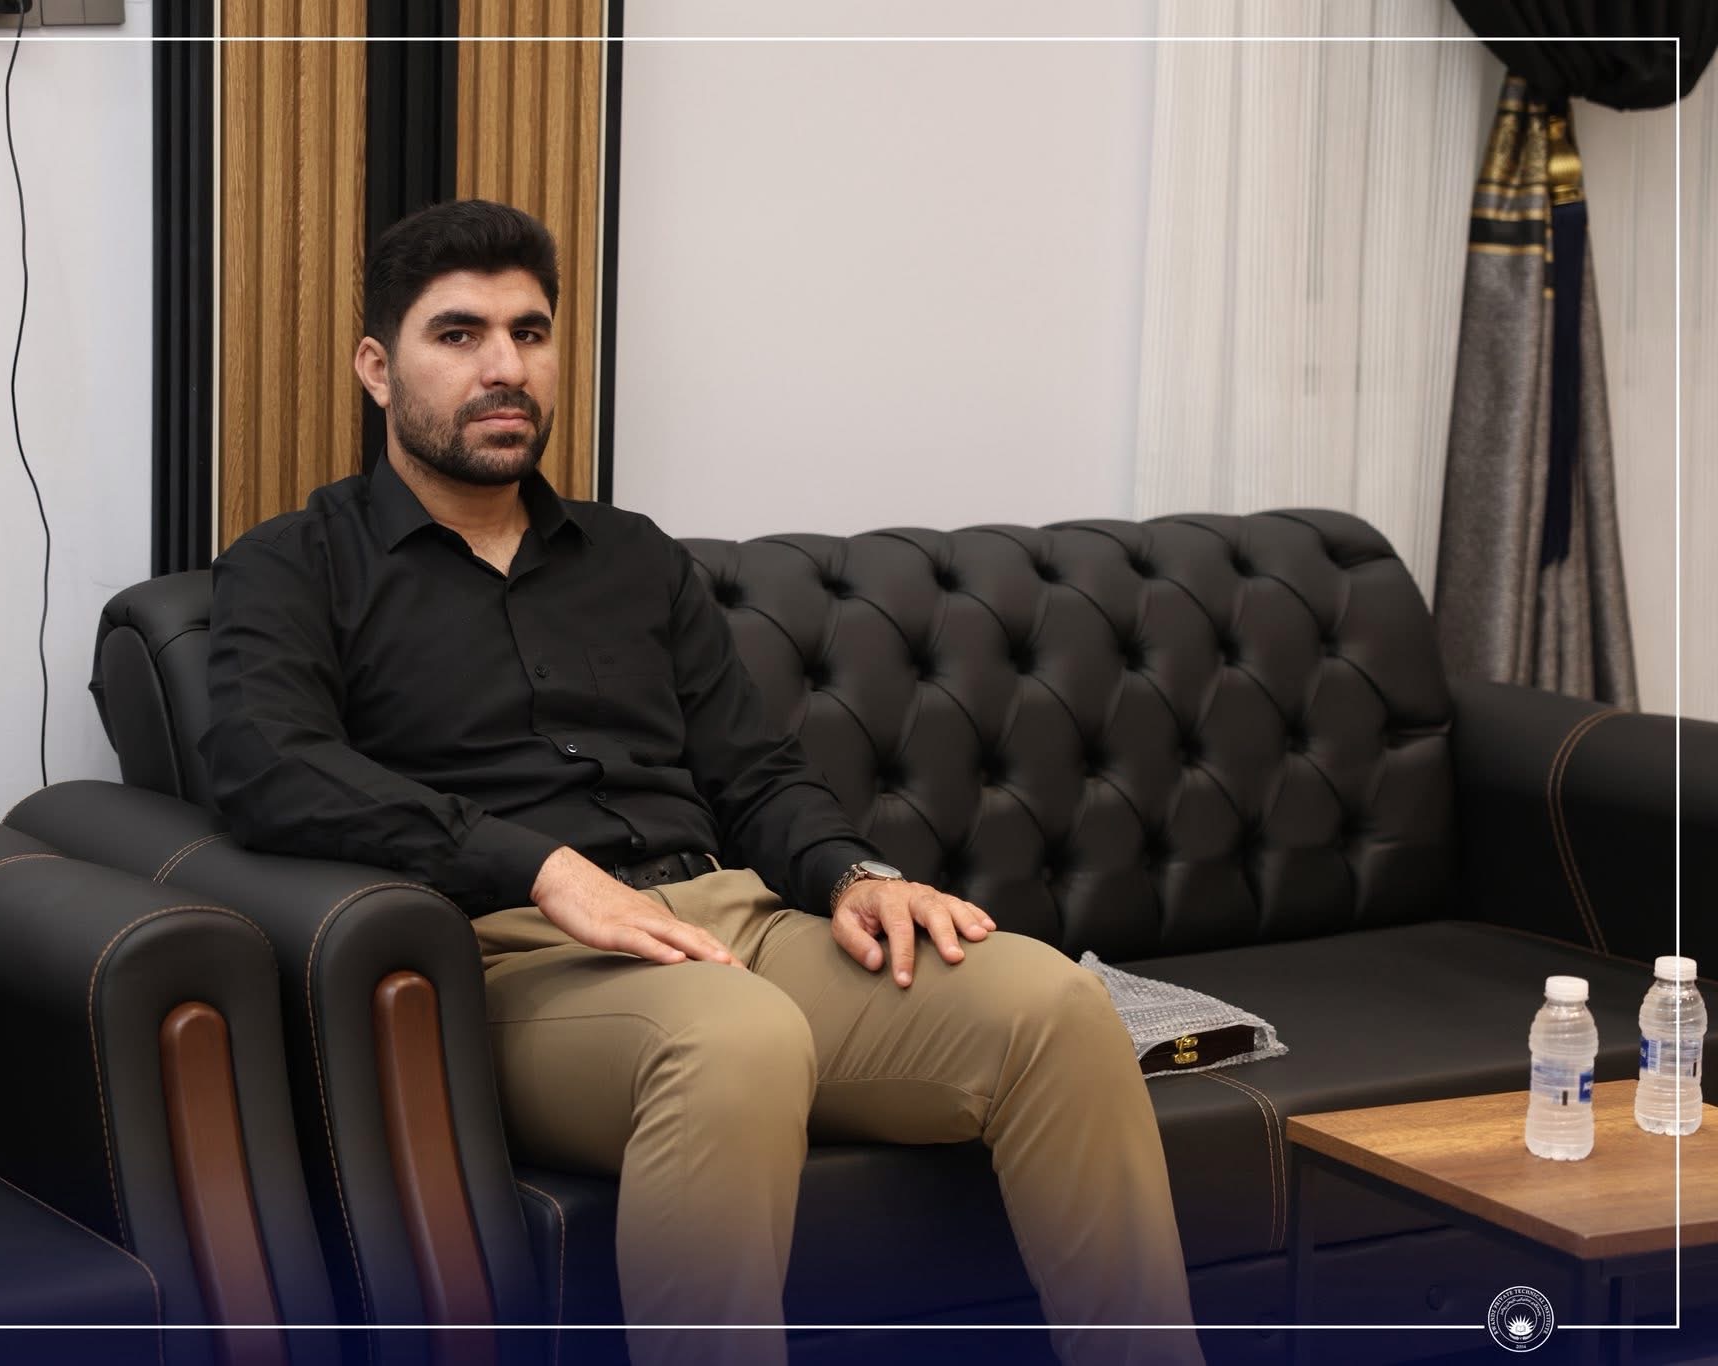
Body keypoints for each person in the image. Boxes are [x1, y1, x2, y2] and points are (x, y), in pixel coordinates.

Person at [201, 198, 1205, 1366]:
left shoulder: (631, 556)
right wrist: (537, 864)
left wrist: (851, 873)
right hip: (513, 960)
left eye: (529, 333)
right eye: (459, 334)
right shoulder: (294, 565)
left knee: (1050, 1006)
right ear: (377, 369)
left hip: (734, 921)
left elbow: (754, 769)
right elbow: (266, 766)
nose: (504, 367)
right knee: (734, 1037)